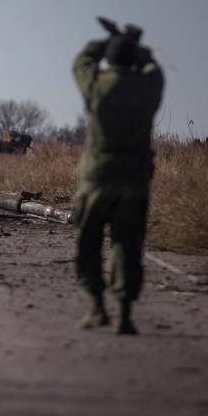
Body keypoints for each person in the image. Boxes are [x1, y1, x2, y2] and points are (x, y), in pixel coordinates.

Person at [71, 27, 164, 335]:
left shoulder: (97, 85)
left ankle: (97, 307)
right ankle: (125, 313)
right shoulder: (149, 87)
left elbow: (83, 59)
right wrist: (136, 47)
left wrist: (107, 41)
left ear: (108, 59)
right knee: (127, 244)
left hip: (96, 177)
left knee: (88, 240)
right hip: (133, 179)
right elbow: (152, 66)